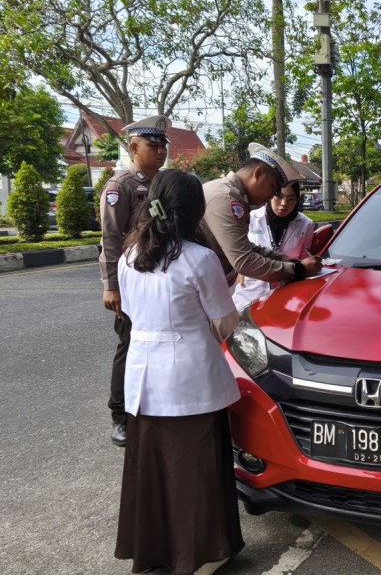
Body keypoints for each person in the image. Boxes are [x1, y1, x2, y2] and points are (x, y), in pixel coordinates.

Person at [114, 169, 243, 575]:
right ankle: (200, 553)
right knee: (196, 470)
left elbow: (132, 314)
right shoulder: (200, 259)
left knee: (152, 471)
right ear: (194, 210)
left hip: (143, 380)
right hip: (191, 380)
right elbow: (226, 323)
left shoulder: (129, 257)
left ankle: (155, 551)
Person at [99, 115, 171, 447]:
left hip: (159, 279)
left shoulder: (160, 184)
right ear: (134, 147)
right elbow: (111, 240)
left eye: (162, 146)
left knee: (155, 344)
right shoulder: (120, 187)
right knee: (128, 346)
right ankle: (120, 416)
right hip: (130, 283)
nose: (160, 152)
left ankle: (148, 408)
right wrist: (111, 285)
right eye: (152, 146)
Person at [201, 142, 322, 287]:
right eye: (273, 188)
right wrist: (299, 270)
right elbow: (244, 261)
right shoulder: (227, 199)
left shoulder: (227, 192)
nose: (272, 196)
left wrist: (289, 261)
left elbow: (245, 246)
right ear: (258, 174)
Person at [231, 180, 316, 311]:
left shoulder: (306, 224)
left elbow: (304, 257)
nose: (284, 204)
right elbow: (238, 249)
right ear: (271, 195)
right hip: (251, 289)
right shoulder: (251, 218)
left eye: (290, 199)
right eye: (279, 196)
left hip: (288, 291)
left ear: (297, 200)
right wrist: (238, 268)